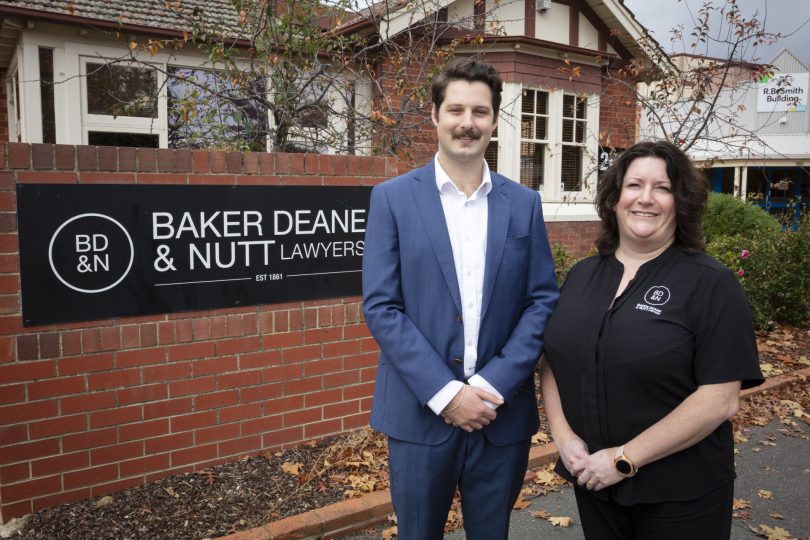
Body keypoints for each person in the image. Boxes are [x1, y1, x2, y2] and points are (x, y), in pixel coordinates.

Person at [362, 57, 559, 540]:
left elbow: (541, 300)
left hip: (500, 414)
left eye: (479, 111)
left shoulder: (524, 204)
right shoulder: (392, 199)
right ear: (434, 116)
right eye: (455, 110)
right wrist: (448, 395)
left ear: (494, 119)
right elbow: (382, 307)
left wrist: (491, 385)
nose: (466, 123)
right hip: (418, 413)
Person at [540, 140, 764, 539]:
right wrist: (564, 436)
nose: (646, 199)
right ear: (614, 198)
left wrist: (624, 460)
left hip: (679, 494)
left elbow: (720, 398)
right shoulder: (582, 275)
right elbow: (555, 359)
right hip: (594, 482)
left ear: (681, 202)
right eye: (634, 186)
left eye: (662, 188)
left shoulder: (710, 283)